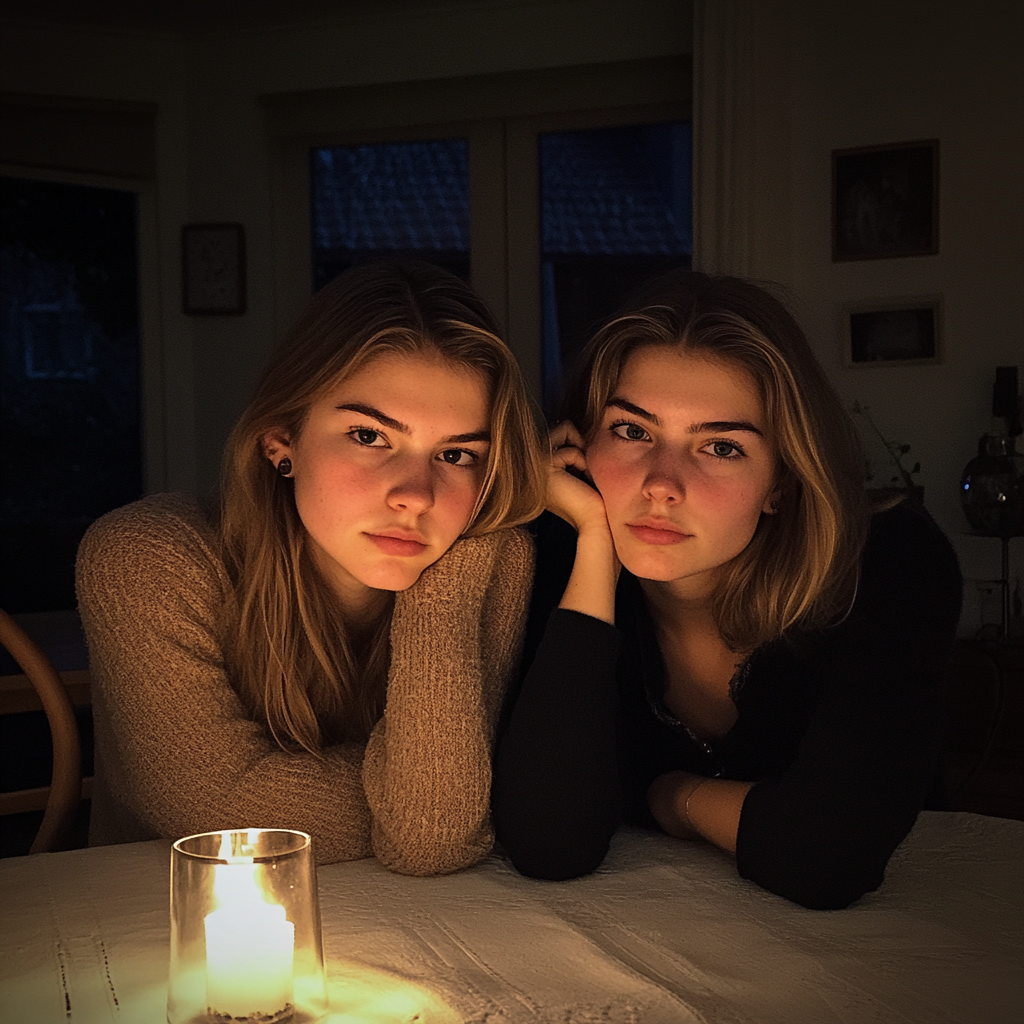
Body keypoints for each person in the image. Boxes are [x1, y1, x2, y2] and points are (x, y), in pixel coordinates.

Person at [492, 270, 961, 909]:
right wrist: (595, 546)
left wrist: (672, 798)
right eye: (632, 431)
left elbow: (827, 856)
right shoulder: (559, 564)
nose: (662, 482)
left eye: (719, 446)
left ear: (780, 483)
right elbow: (550, 845)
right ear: (579, 447)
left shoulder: (887, 562)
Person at [78, 261, 544, 875]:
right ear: (281, 442)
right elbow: (223, 816)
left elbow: (433, 838)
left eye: (456, 454)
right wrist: (420, 794)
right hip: (159, 921)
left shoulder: (485, 556)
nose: (417, 495)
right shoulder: (145, 556)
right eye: (370, 436)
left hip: (417, 918)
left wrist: (463, 560)